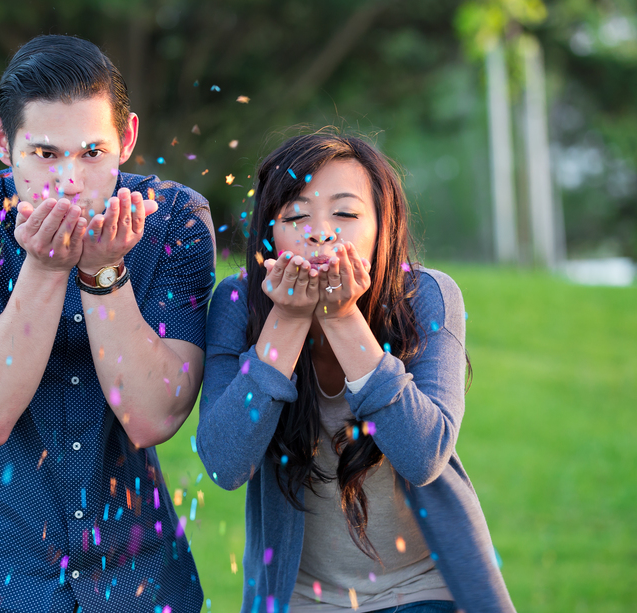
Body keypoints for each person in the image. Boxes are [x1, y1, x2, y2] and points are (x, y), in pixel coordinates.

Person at [0, 34, 213, 612]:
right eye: (45, 154)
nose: (70, 180)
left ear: (128, 140)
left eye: (93, 153)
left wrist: (104, 274)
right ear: (1, 140)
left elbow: (153, 415)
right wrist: (45, 270)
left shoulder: (172, 220)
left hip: (136, 577)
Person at [196, 131, 515, 613]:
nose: (321, 232)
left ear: (382, 228)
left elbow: (424, 454)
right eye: (296, 216)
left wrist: (343, 318)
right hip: (303, 599)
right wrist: (286, 322)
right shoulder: (239, 305)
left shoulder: (426, 296)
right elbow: (223, 461)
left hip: (425, 587)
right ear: (268, 235)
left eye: (345, 214)